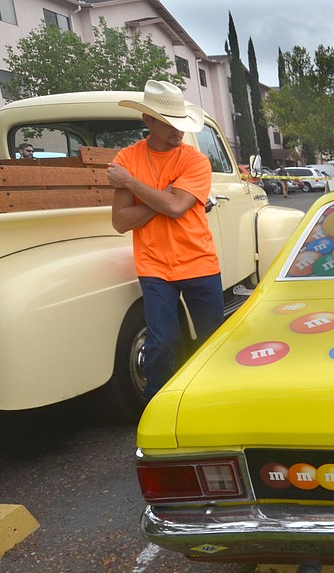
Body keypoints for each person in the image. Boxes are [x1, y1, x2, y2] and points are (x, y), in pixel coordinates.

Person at [106, 80, 224, 401]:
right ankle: (158, 409)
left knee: (214, 339)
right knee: (161, 344)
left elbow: (177, 207)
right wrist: (165, 198)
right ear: (148, 121)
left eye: (181, 124)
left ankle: (215, 398)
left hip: (198, 261)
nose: (178, 131)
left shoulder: (194, 160)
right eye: (170, 123)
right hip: (155, 266)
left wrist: (132, 185)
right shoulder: (128, 156)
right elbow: (120, 222)